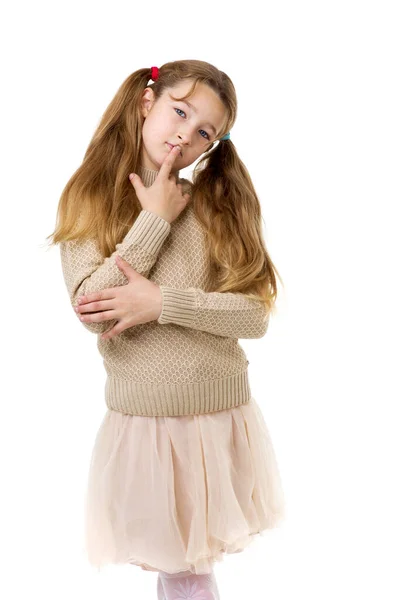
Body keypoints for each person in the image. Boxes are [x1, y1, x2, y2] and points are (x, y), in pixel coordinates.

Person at [48, 59, 286, 600]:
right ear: (146, 103)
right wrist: (153, 218)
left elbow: (254, 315)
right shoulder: (88, 198)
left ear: (212, 146)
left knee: (188, 570)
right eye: (180, 111)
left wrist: (162, 302)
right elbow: (93, 310)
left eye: (205, 130)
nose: (186, 132)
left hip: (217, 415)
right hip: (145, 425)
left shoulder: (214, 204)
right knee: (181, 569)